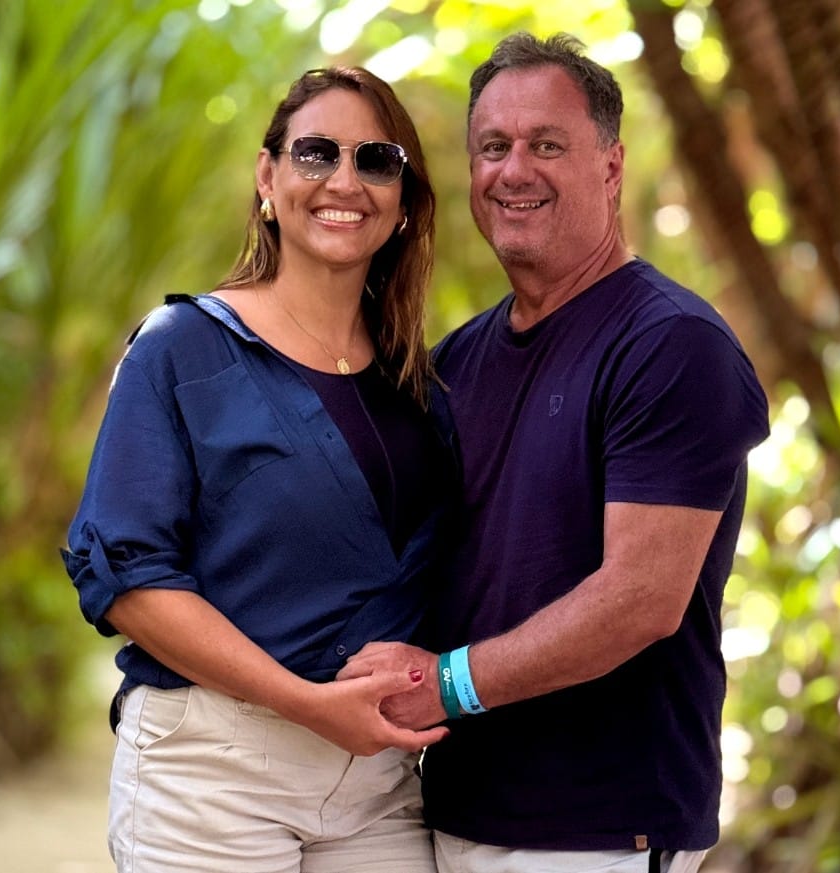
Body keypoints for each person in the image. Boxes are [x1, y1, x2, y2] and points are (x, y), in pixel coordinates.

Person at [338, 33, 771, 873]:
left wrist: (446, 685)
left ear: (611, 166)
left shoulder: (672, 345)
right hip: (456, 813)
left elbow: (640, 599)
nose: (513, 170)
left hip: (599, 831)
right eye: (493, 147)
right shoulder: (458, 362)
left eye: (546, 145)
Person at [61, 66, 457, 873]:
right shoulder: (181, 348)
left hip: (378, 781)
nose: (344, 180)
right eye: (316, 153)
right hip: (214, 769)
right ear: (268, 177)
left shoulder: (419, 386)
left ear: (405, 202)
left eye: (376, 160)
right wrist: (305, 702)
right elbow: (128, 579)